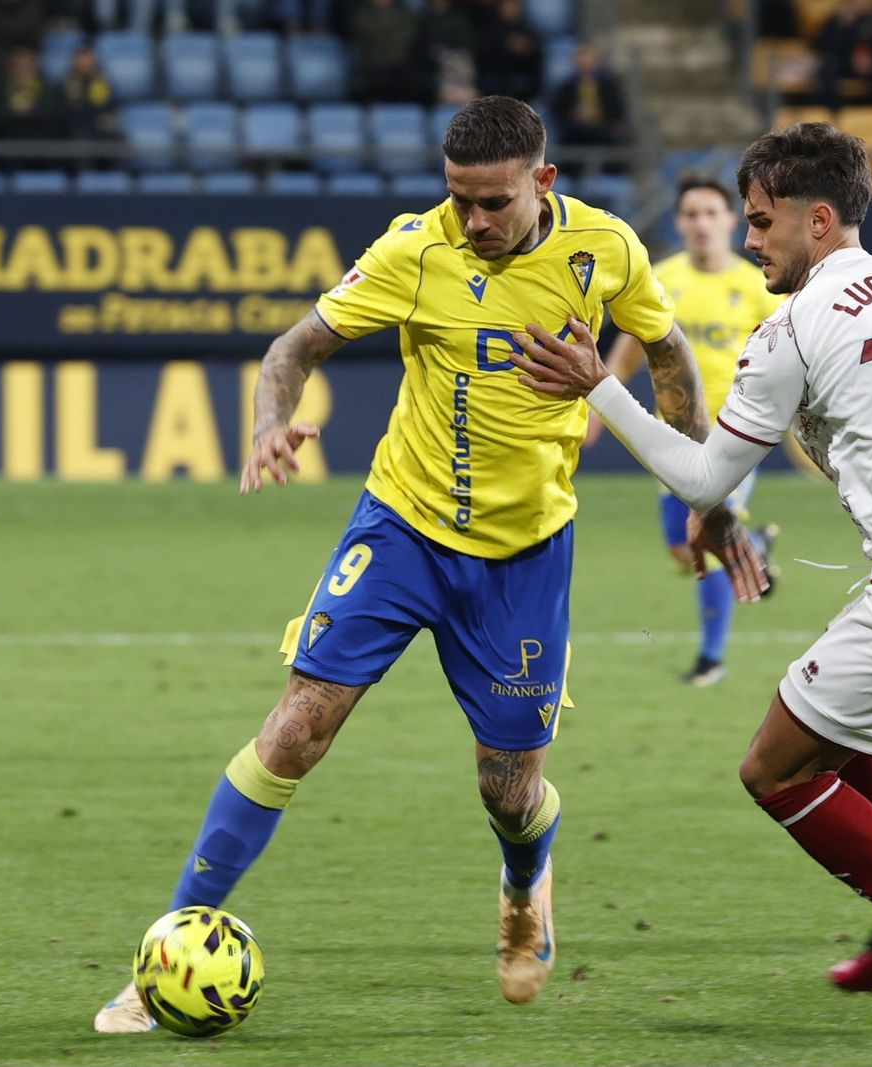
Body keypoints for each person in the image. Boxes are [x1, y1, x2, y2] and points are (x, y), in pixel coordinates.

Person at [92, 95, 766, 1034]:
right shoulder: (415, 249)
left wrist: (707, 494)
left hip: (524, 553)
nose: (472, 220)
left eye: (493, 202)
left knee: (509, 790)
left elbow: (668, 352)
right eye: (458, 198)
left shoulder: (605, 249)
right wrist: (268, 423)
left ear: (543, 182)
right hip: (402, 528)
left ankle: (524, 887)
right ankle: (165, 950)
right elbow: (295, 347)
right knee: (295, 728)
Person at [513, 122, 872, 1033]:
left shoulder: (794, 327)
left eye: (762, 221)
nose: (749, 237)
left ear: (819, 219)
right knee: (841, 730)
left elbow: (702, 479)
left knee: (773, 769)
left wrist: (595, 385)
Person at [585, 174, 781, 686]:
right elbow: (628, 352)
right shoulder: (660, 281)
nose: (701, 224)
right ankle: (753, 547)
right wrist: (595, 410)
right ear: (679, 222)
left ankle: (711, 659)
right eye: (691, 214)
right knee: (681, 550)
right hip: (672, 436)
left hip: (735, 437)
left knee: (708, 539)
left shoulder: (758, 289)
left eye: (711, 213)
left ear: (731, 220)